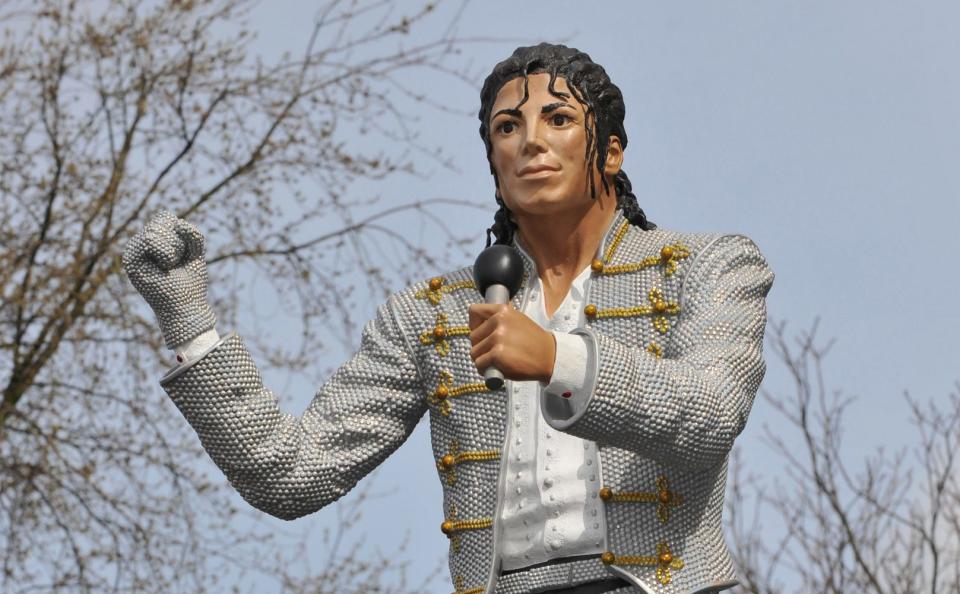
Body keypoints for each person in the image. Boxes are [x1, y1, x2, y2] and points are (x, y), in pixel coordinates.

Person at [123, 43, 774, 594]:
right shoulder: (431, 314)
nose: (532, 143)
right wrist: (188, 318)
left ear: (610, 152)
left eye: (558, 118)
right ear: (493, 162)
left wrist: (555, 358)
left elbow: (710, 414)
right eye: (508, 127)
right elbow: (290, 475)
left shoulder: (707, 267)